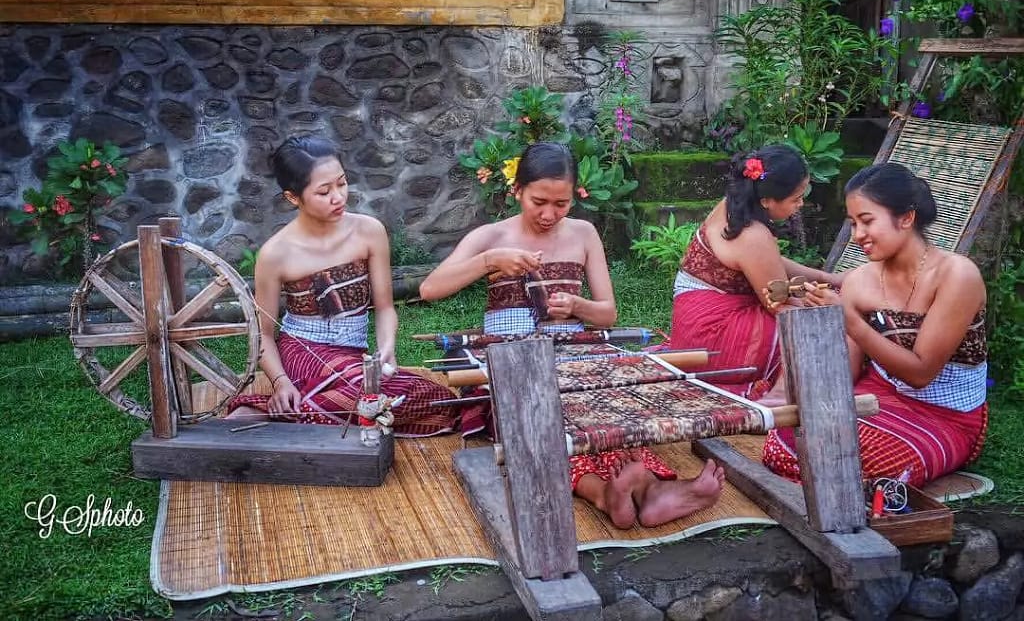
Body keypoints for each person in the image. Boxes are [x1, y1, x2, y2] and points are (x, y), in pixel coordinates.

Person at [420, 141, 725, 528]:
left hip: (576, 354)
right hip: (513, 359)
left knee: (609, 403)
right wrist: (487, 261)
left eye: (561, 204)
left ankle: (645, 490)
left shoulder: (583, 234)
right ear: (517, 191)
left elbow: (608, 313)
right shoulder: (491, 237)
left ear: (574, 197)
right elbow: (430, 289)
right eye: (539, 201)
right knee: (547, 412)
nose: (549, 214)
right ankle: (608, 491)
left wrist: (578, 308)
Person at [762, 164, 988, 487]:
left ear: (906, 218)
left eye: (867, 221)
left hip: (946, 416)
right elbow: (847, 374)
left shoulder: (957, 276)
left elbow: (921, 374)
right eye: (853, 224)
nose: (857, 236)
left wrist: (849, 320)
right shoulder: (859, 281)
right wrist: (812, 325)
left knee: (876, 463)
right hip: (876, 397)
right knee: (782, 441)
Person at [226, 135, 460, 436]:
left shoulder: (369, 231)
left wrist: (387, 347)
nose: (338, 197)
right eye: (324, 191)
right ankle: (292, 403)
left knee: (440, 402)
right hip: (303, 353)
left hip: (354, 357)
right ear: (292, 198)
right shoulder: (276, 254)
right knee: (372, 394)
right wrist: (281, 381)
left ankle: (277, 414)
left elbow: (386, 307)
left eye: (342, 183)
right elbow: (264, 335)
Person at [668, 144, 842, 398]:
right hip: (711, 338)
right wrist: (827, 304)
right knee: (818, 328)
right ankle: (780, 395)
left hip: (690, 325)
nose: (801, 204)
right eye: (796, 199)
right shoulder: (754, 235)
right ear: (767, 201)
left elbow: (766, 261)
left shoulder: (733, 205)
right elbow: (778, 304)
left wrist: (827, 278)